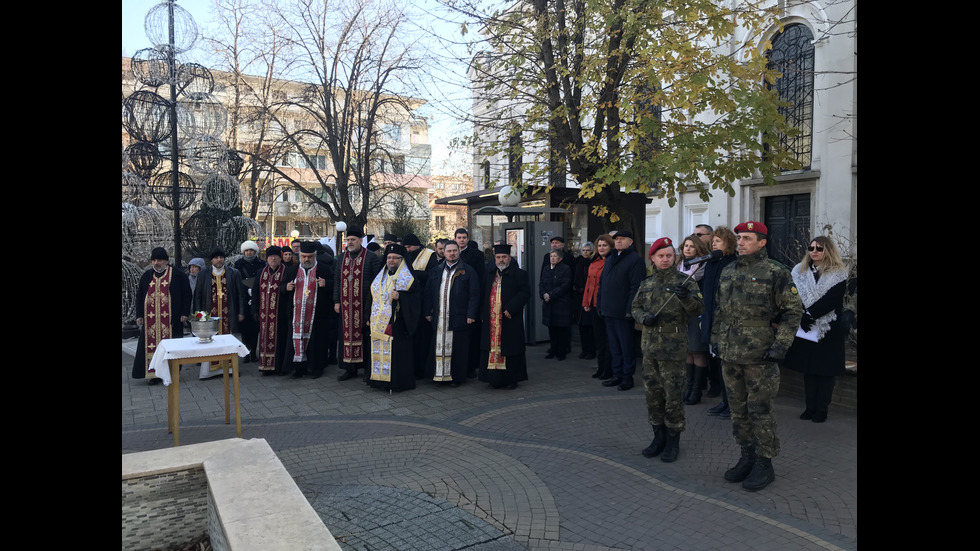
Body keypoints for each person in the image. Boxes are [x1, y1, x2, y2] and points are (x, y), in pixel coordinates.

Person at [711, 220, 802, 492]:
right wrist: (715, 340)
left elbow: (792, 312)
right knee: (738, 411)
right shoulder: (727, 270)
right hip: (730, 353)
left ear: (762, 242)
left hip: (761, 354)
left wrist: (781, 346)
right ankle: (747, 456)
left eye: (747, 238)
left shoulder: (776, 272)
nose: (740, 242)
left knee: (760, 410)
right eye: (739, 238)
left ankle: (765, 462)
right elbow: (719, 310)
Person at [632, 238, 704, 463]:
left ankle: (673, 441)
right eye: (661, 256)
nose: (665, 259)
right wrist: (645, 318)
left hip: (673, 347)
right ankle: (658, 437)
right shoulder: (647, 283)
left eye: (669, 256)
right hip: (651, 346)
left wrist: (686, 299)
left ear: (675, 258)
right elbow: (635, 307)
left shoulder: (686, 282)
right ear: (652, 258)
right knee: (653, 395)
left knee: (673, 396)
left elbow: (698, 309)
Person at [784, 236, 849, 423]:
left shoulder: (838, 273)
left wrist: (810, 314)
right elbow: (792, 294)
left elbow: (832, 299)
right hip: (805, 327)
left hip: (828, 328)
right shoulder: (799, 271)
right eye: (811, 247)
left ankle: (821, 410)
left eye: (819, 248)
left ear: (827, 250)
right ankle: (809, 407)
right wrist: (802, 315)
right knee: (809, 370)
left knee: (825, 372)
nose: (814, 251)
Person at [423, 240, 480, 387]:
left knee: (458, 349)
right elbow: (428, 292)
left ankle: (456, 377)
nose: (452, 253)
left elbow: (474, 294)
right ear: (444, 252)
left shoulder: (468, 271)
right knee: (438, 346)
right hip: (439, 316)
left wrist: (471, 314)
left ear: (459, 252)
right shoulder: (436, 270)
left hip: (459, 316)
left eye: (455, 251)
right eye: (449, 251)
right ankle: (439, 375)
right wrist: (427, 311)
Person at [131, 247, 191, 385]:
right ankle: (153, 374)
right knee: (150, 348)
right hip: (150, 322)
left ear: (166, 261)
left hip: (172, 321)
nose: (156, 262)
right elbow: (140, 296)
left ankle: (171, 372)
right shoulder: (147, 276)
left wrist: (184, 313)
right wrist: (139, 314)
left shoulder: (177, 275)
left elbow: (187, 294)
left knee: (172, 348)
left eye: (159, 260)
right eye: (154, 260)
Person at [367, 244, 422, 391]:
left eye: (394, 258)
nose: (391, 261)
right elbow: (371, 296)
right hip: (379, 323)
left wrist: (401, 297)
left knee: (398, 355)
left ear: (401, 259)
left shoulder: (409, 278)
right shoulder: (381, 275)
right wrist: (367, 315)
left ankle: (397, 382)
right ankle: (379, 381)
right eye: (389, 257)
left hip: (399, 324)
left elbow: (416, 300)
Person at [597, 230, 646, 391]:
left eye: (622, 239)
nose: (618, 242)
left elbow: (635, 288)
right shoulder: (611, 258)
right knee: (614, 346)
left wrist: (630, 310)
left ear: (630, 242)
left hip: (623, 312)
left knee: (626, 346)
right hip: (608, 310)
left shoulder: (635, 260)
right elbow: (603, 284)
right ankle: (617, 374)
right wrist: (600, 304)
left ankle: (627, 376)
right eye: (616, 239)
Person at [334, 227, 384, 382]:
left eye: (353, 240)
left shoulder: (370, 257)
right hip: (345, 305)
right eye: (348, 240)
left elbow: (377, 281)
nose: (350, 242)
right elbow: (337, 280)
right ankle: (349, 368)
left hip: (364, 304)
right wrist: (336, 301)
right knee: (345, 337)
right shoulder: (342, 257)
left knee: (365, 336)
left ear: (361, 241)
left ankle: (366, 369)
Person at [479, 243, 531, 390]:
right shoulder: (489, 274)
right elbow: (483, 295)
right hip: (491, 320)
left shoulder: (520, 274)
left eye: (504, 257)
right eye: (498, 257)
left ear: (509, 258)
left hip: (509, 319)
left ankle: (511, 379)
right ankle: (493, 379)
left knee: (511, 348)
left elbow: (525, 293)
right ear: (494, 258)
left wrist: (511, 308)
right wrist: (482, 314)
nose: (501, 260)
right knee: (490, 348)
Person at [281, 241, 334, 379]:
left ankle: (316, 368)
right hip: (296, 315)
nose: (306, 259)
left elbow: (335, 285)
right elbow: (281, 287)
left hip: (317, 315)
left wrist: (326, 284)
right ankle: (299, 368)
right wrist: (286, 287)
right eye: (304, 256)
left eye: (310, 256)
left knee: (317, 342)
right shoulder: (292, 270)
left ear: (314, 256)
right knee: (297, 340)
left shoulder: (323, 269)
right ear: (299, 256)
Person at [193, 248, 246, 380]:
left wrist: (241, 312)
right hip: (209, 313)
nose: (219, 260)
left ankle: (230, 368)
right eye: (216, 258)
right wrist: (199, 314)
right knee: (210, 340)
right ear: (211, 260)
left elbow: (240, 294)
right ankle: (209, 371)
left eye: (221, 257)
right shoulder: (203, 274)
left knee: (230, 339)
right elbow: (198, 296)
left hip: (229, 313)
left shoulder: (234, 273)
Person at [702, 227, 738, 419]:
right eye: (713, 241)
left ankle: (732, 403)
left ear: (729, 243)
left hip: (725, 321)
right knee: (717, 362)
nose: (714, 244)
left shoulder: (733, 263)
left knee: (728, 364)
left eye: (718, 241)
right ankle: (724, 401)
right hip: (711, 318)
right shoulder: (711, 262)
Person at [676, 234, 711, 405]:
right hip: (682, 313)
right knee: (687, 351)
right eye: (685, 246)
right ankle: (688, 388)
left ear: (698, 248)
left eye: (691, 246)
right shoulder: (679, 265)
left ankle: (697, 390)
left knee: (697, 351)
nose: (688, 249)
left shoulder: (702, 266)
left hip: (697, 312)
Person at [403, 232, 439, 378]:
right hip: (409, 302)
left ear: (417, 245)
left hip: (424, 301)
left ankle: (423, 368)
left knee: (423, 338)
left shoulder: (429, 255)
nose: (408, 249)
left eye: (410, 246)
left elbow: (433, 275)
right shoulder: (405, 256)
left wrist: (415, 273)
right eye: (405, 247)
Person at [250, 246, 289, 376]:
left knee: (281, 340)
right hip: (264, 314)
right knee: (265, 340)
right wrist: (254, 310)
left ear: (280, 258)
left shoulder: (286, 271)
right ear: (267, 258)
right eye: (271, 256)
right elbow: (255, 292)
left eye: (276, 256)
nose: (273, 258)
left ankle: (279, 367)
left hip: (280, 314)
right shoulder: (261, 272)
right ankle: (266, 366)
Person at [582, 234, 614, 380]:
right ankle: (601, 367)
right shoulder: (593, 262)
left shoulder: (611, 262)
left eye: (605, 245)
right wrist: (585, 303)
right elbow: (589, 284)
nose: (601, 248)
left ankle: (608, 369)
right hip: (593, 305)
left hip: (605, 305)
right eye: (599, 245)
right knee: (599, 338)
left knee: (607, 340)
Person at [456, 228, 485, 378]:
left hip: (471, 299)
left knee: (472, 335)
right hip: (455, 302)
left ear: (467, 239)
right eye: (459, 237)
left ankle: (472, 366)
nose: (461, 240)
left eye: (464, 237)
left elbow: (481, 279)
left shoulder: (477, 255)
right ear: (455, 239)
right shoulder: (452, 254)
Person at [235, 240, 266, 363]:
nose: (249, 253)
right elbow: (236, 281)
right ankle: (245, 353)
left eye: (251, 250)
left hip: (257, 298)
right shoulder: (238, 264)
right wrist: (245, 290)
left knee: (255, 327)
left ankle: (254, 352)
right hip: (243, 298)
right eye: (247, 251)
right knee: (244, 329)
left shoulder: (261, 264)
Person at [540, 249, 573, 361]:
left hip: (560, 303)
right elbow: (541, 283)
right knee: (552, 329)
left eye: (555, 256)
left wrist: (551, 295)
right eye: (551, 256)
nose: (552, 258)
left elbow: (565, 285)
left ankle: (561, 352)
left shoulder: (565, 269)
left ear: (560, 258)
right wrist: (543, 294)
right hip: (548, 303)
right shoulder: (546, 268)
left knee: (561, 330)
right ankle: (553, 350)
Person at [572, 242, 596, 360]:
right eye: (583, 250)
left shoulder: (593, 262)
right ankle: (584, 349)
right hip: (578, 296)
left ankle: (591, 350)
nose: (585, 252)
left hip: (589, 296)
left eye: (588, 250)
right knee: (581, 325)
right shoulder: (578, 261)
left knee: (589, 325)